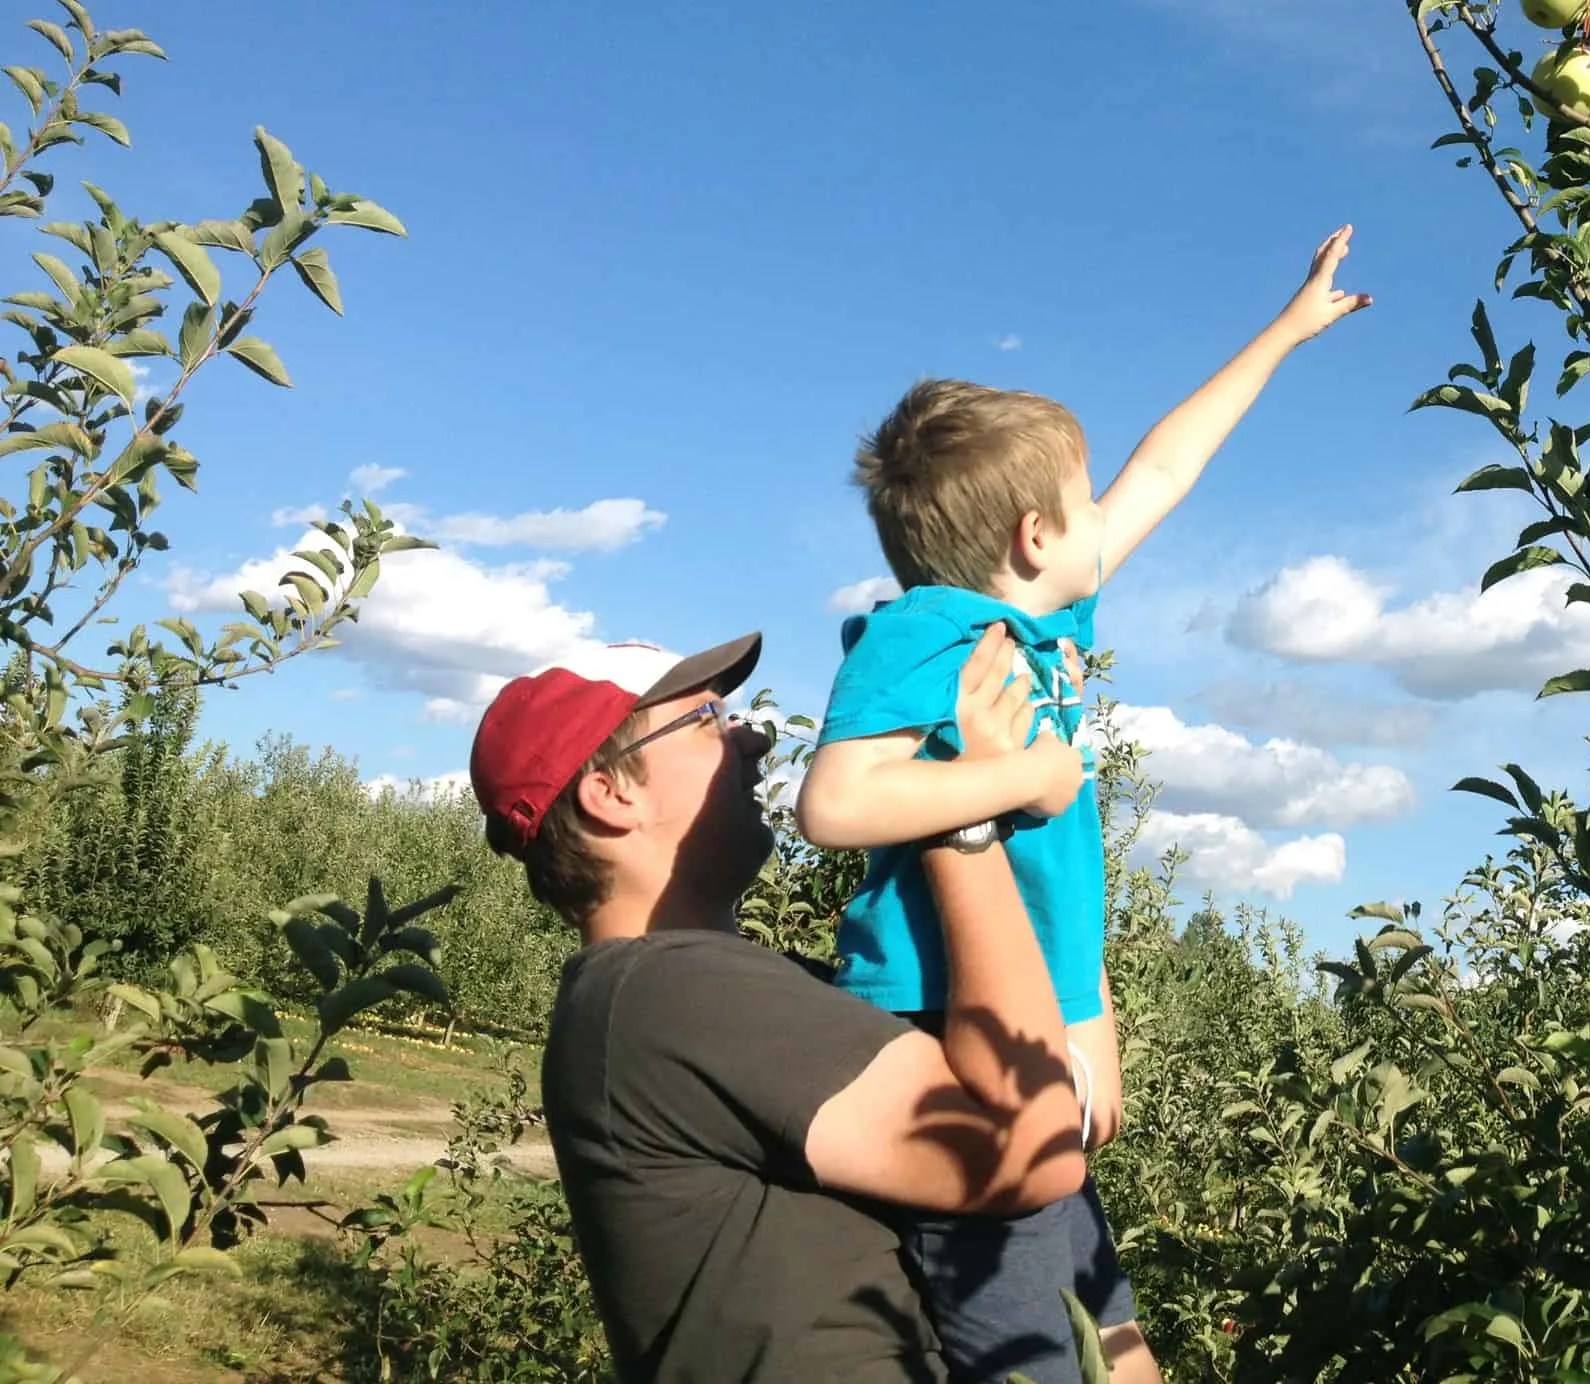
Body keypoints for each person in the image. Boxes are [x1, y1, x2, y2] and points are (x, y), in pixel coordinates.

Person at [797, 225, 1371, 1384]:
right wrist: (1021, 777)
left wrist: (1287, 329)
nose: (1104, 512)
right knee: (1035, 1359)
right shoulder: (925, 633)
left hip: (1027, 1024)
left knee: (1112, 1342)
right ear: (1031, 536)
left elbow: (1166, 464)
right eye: (1079, 497)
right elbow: (835, 802)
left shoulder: (1043, 626)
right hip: (942, 1034)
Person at [468, 622, 1087, 1383]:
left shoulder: (686, 992)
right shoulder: (671, 994)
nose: (755, 739)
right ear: (611, 792)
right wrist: (959, 806)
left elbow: (1062, 1116)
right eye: (707, 721)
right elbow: (1029, 1149)